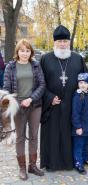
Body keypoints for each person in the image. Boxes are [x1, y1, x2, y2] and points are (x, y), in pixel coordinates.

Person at [40, 25, 88, 171]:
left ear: (69, 42)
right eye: (59, 41)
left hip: (73, 107)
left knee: (71, 135)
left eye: (65, 41)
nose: (63, 44)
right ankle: (52, 163)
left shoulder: (78, 59)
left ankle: (73, 161)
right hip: (53, 106)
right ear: (54, 42)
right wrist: (49, 97)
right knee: (53, 135)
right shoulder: (45, 59)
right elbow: (39, 83)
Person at [3, 39, 45, 180]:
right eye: (22, 50)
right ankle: (22, 168)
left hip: (34, 105)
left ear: (31, 52)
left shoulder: (36, 65)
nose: (25, 53)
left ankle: (32, 166)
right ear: (17, 52)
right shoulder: (11, 67)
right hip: (18, 107)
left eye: (27, 51)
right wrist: (13, 102)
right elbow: (7, 87)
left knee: (34, 136)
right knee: (20, 137)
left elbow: (42, 85)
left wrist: (31, 99)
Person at [72, 73, 88, 175]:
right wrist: (78, 127)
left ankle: (86, 158)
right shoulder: (77, 97)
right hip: (80, 127)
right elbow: (75, 114)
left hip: (87, 125)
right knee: (78, 145)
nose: (82, 85)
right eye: (80, 82)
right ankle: (78, 163)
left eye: (85, 83)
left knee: (85, 143)